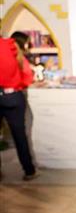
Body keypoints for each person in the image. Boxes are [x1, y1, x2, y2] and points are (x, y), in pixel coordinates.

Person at [0, 33, 38, 180]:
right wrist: (18, 84)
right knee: (20, 136)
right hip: (14, 96)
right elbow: (27, 75)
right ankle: (29, 170)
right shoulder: (11, 45)